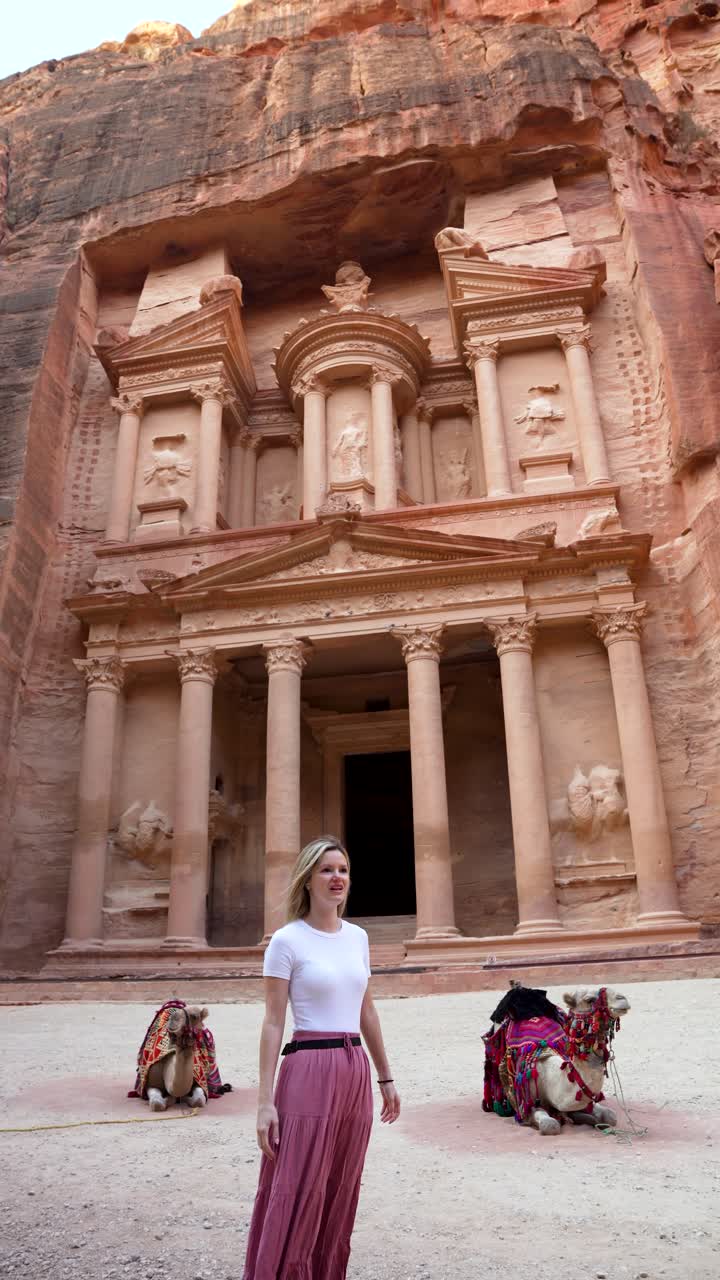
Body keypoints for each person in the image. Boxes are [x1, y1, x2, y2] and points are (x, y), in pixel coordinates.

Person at [243, 835, 400, 1280]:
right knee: (296, 1183)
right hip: (308, 1064)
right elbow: (273, 1022)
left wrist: (385, 1077)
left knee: (339, 1184)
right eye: (327, 870)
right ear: (308, 879)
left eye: (344, 870)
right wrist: (264, 1102)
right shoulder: (286, 941)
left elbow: (366, 1009)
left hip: (354, 1069)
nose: (337, 879)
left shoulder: (358, 938)